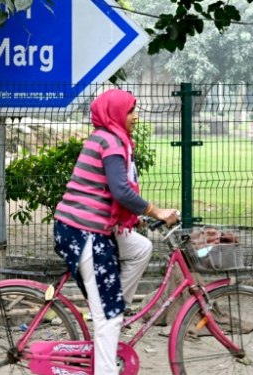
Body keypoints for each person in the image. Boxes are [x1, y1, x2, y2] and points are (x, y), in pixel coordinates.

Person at [52, 89, 179, 375]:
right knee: (107, 315)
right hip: (83, 232)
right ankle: (110, 319)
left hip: (93, 227)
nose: (135, 116)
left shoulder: (108, 138)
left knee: (141, 248)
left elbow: (109, 192)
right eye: (131, 111)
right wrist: (155, 211)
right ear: (116, 114)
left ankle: (114, 305)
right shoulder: (109, 141)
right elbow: (120, 190)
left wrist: (134, 217)